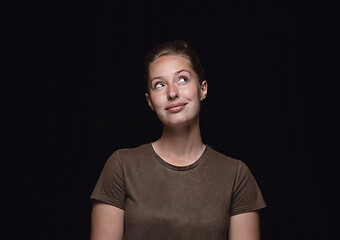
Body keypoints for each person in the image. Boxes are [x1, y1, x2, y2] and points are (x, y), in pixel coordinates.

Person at [90, 40, 266, 240]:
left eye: (182, 79)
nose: (172, 93)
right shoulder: (122, 166)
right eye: (159, 85)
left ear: (203, 89)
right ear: (149, 101)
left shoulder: (236, 175)